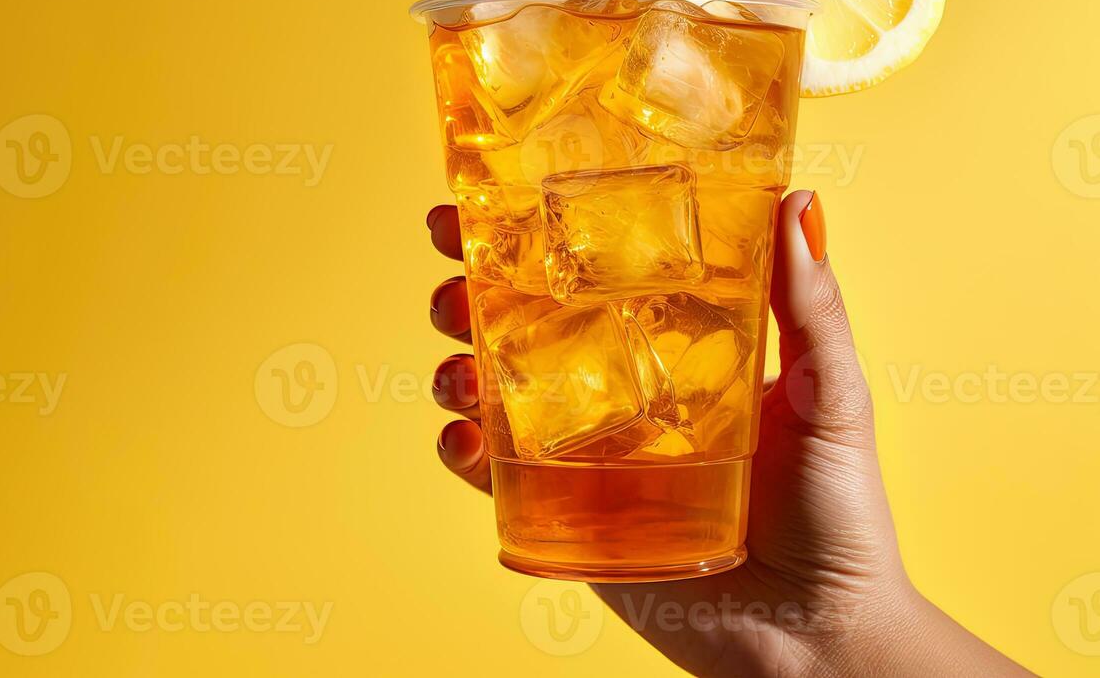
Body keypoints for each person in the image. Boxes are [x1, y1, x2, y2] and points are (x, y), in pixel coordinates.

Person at [425, 190, 1033, 677]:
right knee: (508, 266)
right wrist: (829, 637)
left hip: (734, 543)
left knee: (507, 266)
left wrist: (835, 630)